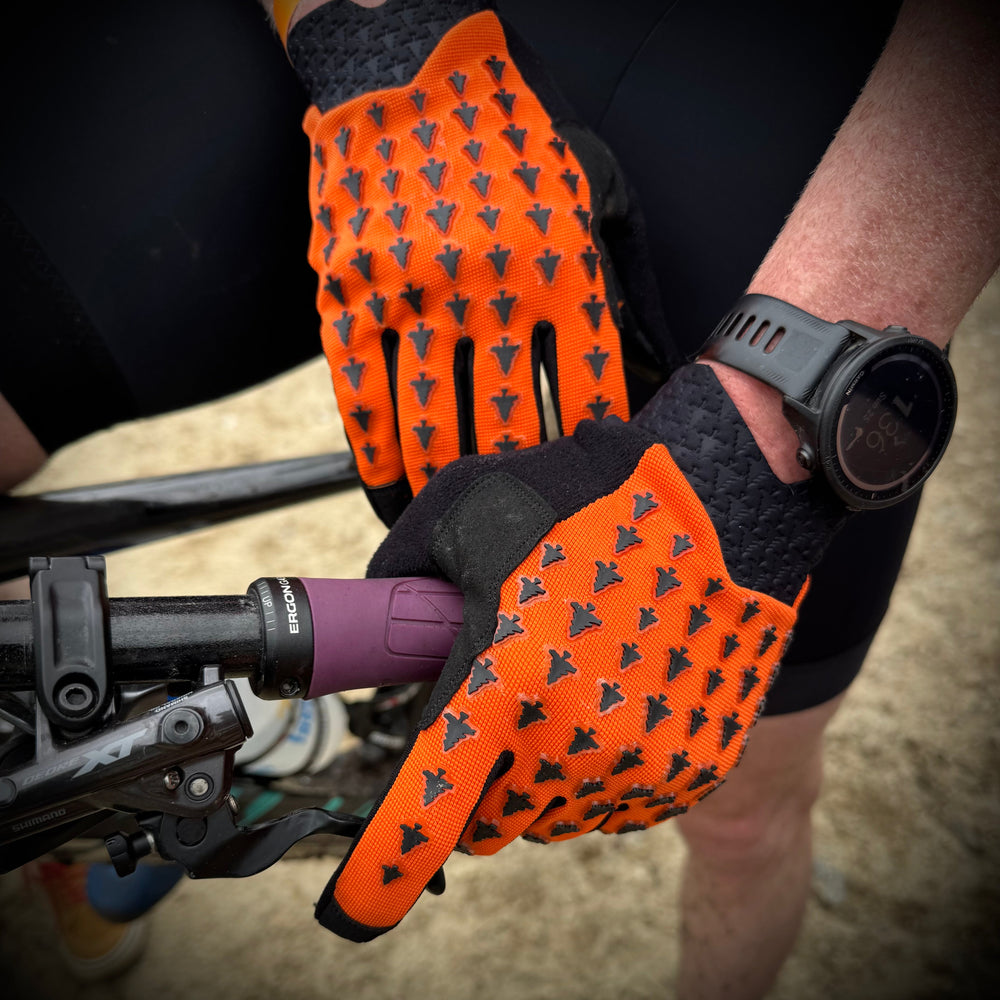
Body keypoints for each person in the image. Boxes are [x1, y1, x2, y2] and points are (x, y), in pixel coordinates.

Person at [1, 0, 996, 995]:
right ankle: (85, 772)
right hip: (390, 39)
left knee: (743, 804)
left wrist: (761, 438)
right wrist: (374, 43)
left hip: (814, 116)